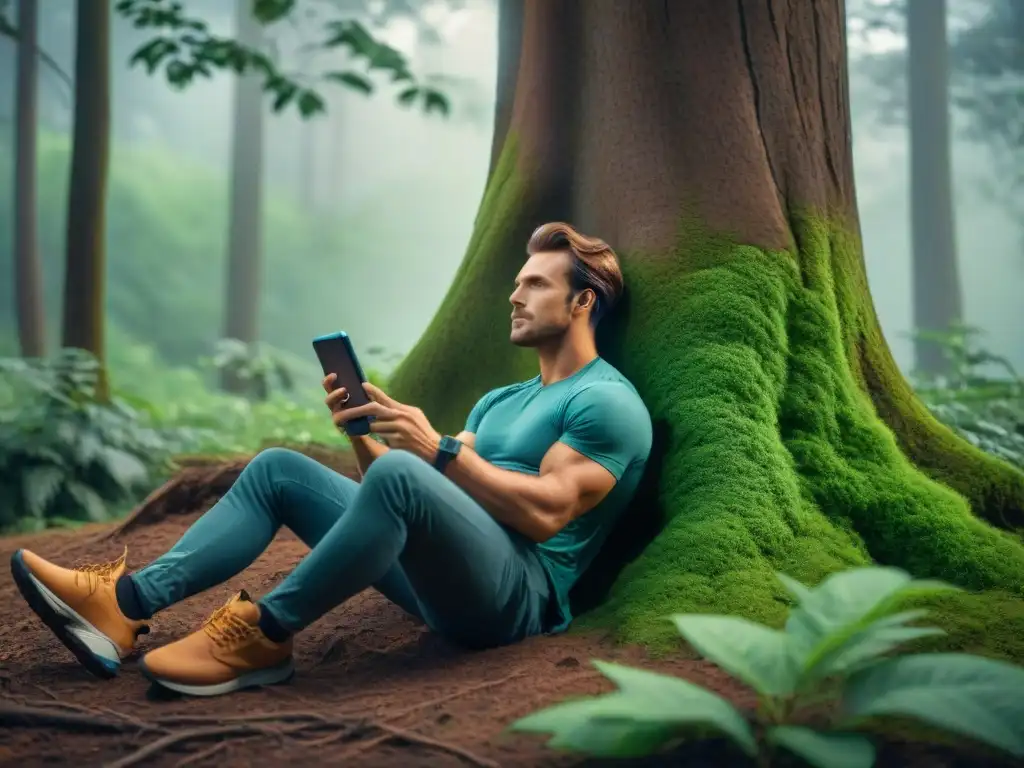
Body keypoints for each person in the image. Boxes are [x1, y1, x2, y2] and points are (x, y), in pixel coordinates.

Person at [10, 222, 654, 698]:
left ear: (582, 302)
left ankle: (264, 634)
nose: (514, 296)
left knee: (409, 469)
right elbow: (401, 501)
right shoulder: (502, 401)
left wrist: (434, 447)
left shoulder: (606, 403)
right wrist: (359, 434)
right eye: (517, 283)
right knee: (278, 469)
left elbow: (545, 515)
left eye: (536, 284)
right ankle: (123, 604)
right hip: (447, 578)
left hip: (515, 599)